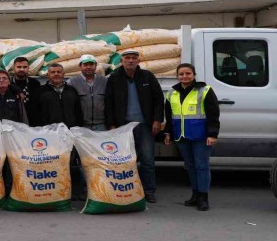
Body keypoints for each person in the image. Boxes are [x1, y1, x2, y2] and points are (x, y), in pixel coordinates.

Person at [105, 49, 164, 203]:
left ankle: (149, 190)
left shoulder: (147, 76)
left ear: (138, 61)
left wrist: (157, 120)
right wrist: (112, 125)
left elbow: (158, 99)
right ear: (121, 61)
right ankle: (126, 189)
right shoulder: (114, 78)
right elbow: (108, 102)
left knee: (147, 160)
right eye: (127, 58)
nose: (130, 60)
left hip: (144, 125)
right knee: (124, 160)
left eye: (133, 58)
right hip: (123, 126)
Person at [164, 63, 220, 211]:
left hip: (201, 135)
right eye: (181, 74)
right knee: (190, 166)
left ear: (194, 75)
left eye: (188, 73)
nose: (185, 76)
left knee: (201, 165)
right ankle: (195, 195)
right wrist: (168, 133)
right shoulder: (171, 92)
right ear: (177, 76)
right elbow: (169, 116)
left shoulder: (204, 90)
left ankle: (203, 197)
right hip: (181, 135)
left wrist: (212, 134)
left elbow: (213, 114)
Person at [36, 63, 84, 200]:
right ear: (48, 75)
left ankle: (73, 192)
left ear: (64, 74)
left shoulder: (71, 91)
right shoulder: (40, 91)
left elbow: (78, 112)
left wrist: (77, 129)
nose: (56, 74)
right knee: (52, 163)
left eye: (59, 72)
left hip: (70, 133)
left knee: (71, 163)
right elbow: (35, 113)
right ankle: (55, 192)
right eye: (53, 72)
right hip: (49, 135)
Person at [68, 55, 108, 131]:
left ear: (95, 66)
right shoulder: (72, 82)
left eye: (91, 64)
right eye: (85, 65)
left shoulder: (104, 81)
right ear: (80, 66)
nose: (89, 67)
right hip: (82, 125)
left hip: (101, 125)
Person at [11, 56, 41, 126]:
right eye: (19, 67)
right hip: (14, 120)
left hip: (32, 121)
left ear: (28, 68)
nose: (22, 69)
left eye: (24, 67)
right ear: (14, 68)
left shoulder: (35, 83)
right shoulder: (8, 83)